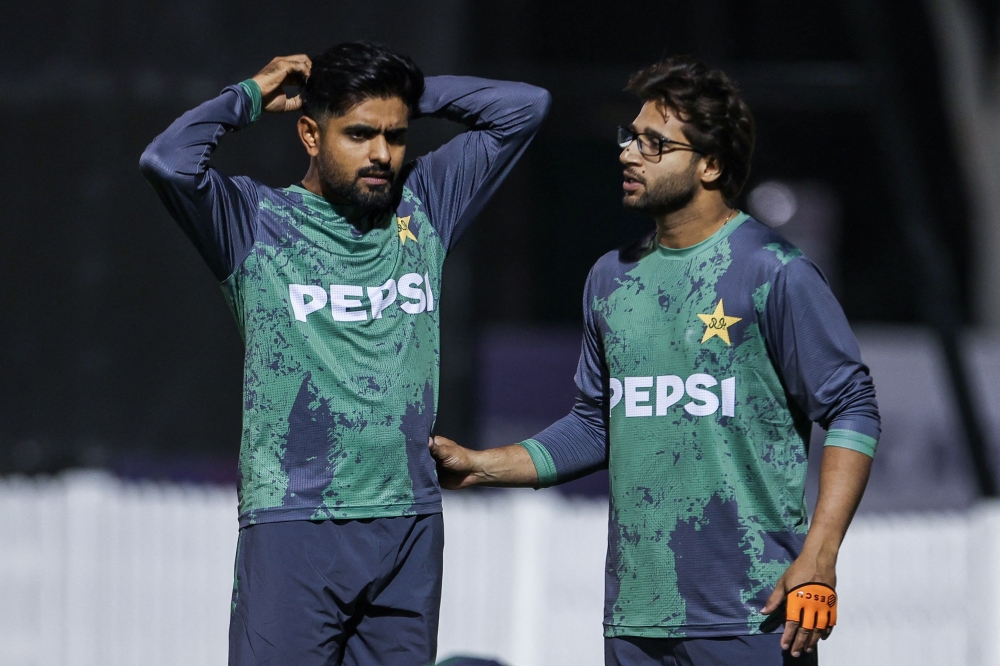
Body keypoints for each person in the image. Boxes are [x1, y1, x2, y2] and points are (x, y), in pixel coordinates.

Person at [430, 55, 879, 665]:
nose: (628, 154)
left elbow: (852, 407)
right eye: (629, 137)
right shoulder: (609, 278)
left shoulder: (774, 270)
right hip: (636, 621)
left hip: (755, 614)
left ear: (711, 164)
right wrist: (483, 467)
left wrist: (820, 554)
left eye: (653, 143)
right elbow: (596, 424)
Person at [140, 42, 550, 666]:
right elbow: (167, 161)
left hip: (409, 523)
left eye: (395, 135)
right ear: (310, 132)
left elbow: (525, 107)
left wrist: (409, 93)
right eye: (359, 133)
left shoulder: (425, 202)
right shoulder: (255, 220)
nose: (382, 154)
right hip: (295, 522)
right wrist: (251, 94)